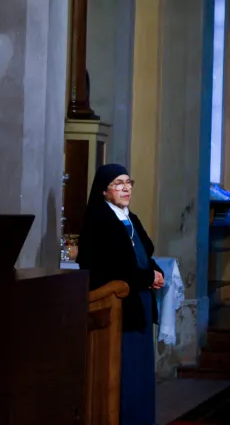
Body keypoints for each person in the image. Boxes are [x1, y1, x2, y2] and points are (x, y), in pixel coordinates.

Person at [78, 164, 164, 425]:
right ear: (104, 191)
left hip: (140, 302)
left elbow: (143, 255)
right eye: (118, 183)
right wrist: (146, 277)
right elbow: (109, 267)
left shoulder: (130, 216)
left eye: (128, 182)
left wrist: (155, 271)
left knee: (141, 371)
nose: (126, 188)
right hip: (120, 306)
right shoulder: (98, 220)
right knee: (125, 370)